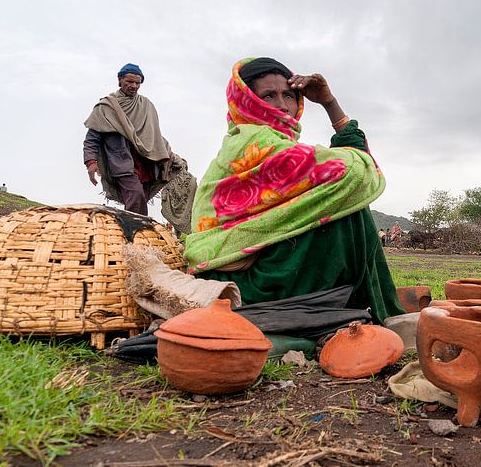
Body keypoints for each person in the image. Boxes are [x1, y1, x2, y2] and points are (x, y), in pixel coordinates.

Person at [183, 57, 404, 324]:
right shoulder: (255, 141)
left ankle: (362, 309)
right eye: (268, 95)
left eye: (288, 95)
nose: (282, 105)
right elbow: (355, 170)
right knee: (347, 207)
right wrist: (330, 104)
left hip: (263, 271)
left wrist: (327, 100)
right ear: (246, 101)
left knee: (343, 199)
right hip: (246, 283)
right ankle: (377, 311)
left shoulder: (272, 144)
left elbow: (353, 170)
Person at [83, 63, 182, 215]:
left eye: (137, 83)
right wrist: (91, 162)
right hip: (121, 162)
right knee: (136, 196)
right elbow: (92, 138)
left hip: (146, 163)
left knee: (139, 198)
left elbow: (153, 135)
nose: (134, 86)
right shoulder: (106, 107)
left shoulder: (146, 105)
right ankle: (136, 232)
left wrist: (170, 155)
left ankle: (133, 233)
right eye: (129, 82)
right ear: (120, 80)